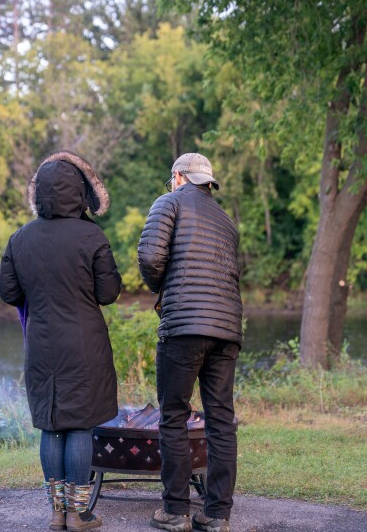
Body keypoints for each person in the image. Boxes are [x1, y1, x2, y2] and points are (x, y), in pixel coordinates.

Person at [0, 151, 122, 532]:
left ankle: (56, 513)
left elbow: (7, 291)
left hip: (41, 344)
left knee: (52, 425)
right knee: (81, 426)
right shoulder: (91, 235)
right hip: (84, 345)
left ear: (40, 196)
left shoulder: (20, 238)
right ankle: (78, 513)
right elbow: (109, 292)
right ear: (79, 194)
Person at [137, 153, 242, 532]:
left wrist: (161, 290)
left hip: (183, 325)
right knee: (221, 421)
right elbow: (233, 273)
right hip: (227, 329)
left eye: (173, 179)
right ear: (208, 182)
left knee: (174, 414)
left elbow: (150, 257)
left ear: (178, 177)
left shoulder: (168, 203)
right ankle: (217, 515)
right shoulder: (227, 222)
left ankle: (176, 511)